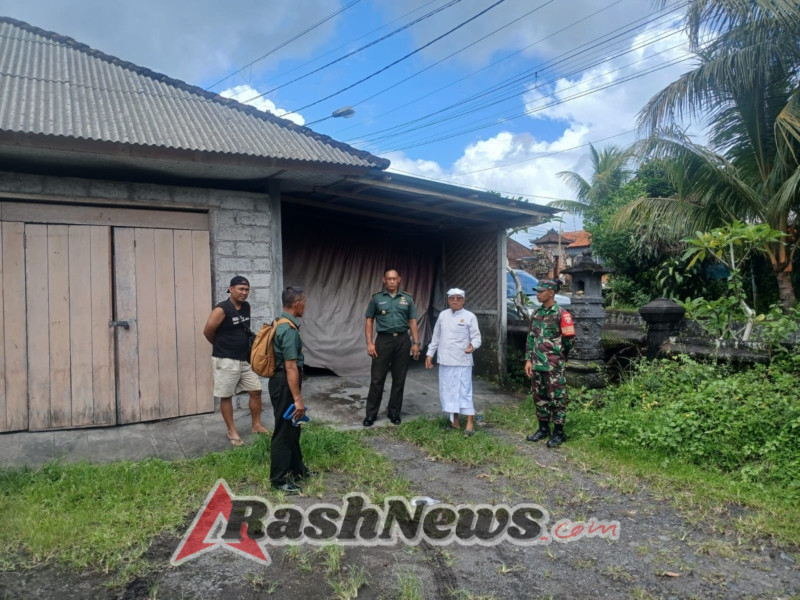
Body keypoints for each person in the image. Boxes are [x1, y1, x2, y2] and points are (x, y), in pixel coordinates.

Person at [203, 275, 267, 446]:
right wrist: (223, 347)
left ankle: (256, 425)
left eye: (246, 290)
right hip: (225, 360)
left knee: (256, 390)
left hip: (244, 359)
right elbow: (208, 331)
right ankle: (232, 430)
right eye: (240, 289)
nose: (244, 293)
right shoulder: (221, 309)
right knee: (226, 396)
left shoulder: (246, 306)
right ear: (231, 289)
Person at [363, 268, 421, 427]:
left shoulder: (407, 299)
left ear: (399, 279)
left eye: (394, 278)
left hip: (403, 340)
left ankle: (394, 412)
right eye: (388, 278)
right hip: (383, 341)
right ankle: (371, 414)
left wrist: (416, 343)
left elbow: (412, 322)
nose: (391, 281)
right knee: (377, 379)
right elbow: (369, 321)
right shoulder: (376, 299)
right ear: (384, 280)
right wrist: (369, 343)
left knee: (399, 379)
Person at [269, 286, 312, 494]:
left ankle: (297, 469)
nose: (305, 305)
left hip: (283, 381)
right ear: (297, 303)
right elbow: (290, 366)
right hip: (284, 383)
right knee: (284, 431)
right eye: (304, 301)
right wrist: (298, 400)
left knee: (293, 427)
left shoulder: (280, 322)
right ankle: (278, 479)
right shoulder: (288, 330)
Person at [524, 279, 576, 448]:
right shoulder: (536, 313)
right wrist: (528, 360)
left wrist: (557, 355)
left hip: (554, 365)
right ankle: (543, 428)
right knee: (539, 397)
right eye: (537, 291)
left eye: (541, 291)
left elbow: (569, 340)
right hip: (537, 364)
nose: (538, 294)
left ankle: (559, 432)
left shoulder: (562, 314)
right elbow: (531, 337)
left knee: (557, 398)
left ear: (551, 292)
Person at [425, 288, 482, 437]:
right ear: (448, 300)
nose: (455, 300)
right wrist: (429, 354)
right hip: (445, 360)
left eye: (458, 298)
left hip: (462, 361)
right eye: (452, 298)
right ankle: (455, 422)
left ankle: (470, 423)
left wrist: (472, 346)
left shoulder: (470, 316)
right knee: (449, 391)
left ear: (463, 300)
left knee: (464, 391)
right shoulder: (443, 315)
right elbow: (436, 337)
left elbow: (476, 338)